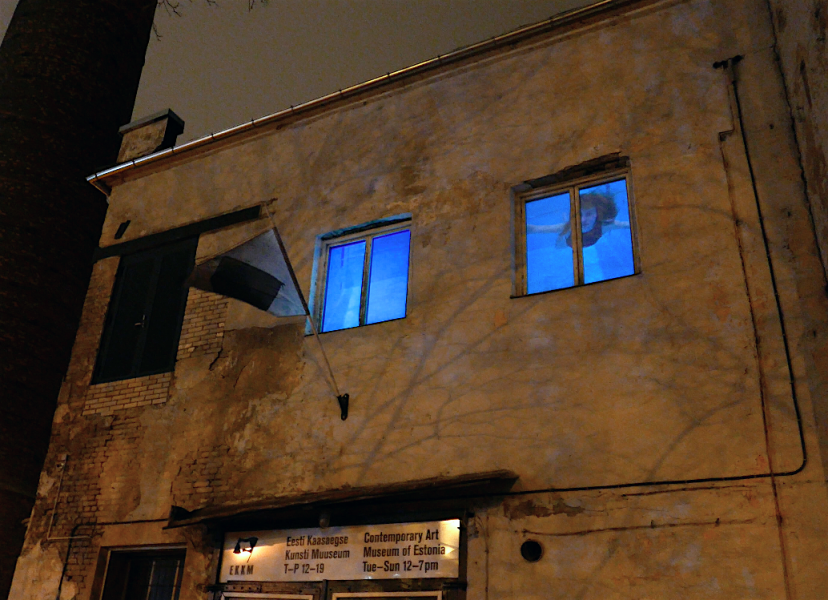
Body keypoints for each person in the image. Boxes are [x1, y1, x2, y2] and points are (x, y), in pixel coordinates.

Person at [526, 191, 629, 248]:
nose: (583, 220)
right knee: (558, 247)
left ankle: (565, 218)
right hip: (567, 243)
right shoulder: (568, 227)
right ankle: (564, 218)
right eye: (579, 214)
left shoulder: (605, 226)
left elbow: (628, 224)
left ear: (597, 214)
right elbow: (535, 229)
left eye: (589, 214)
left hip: (575, 240)